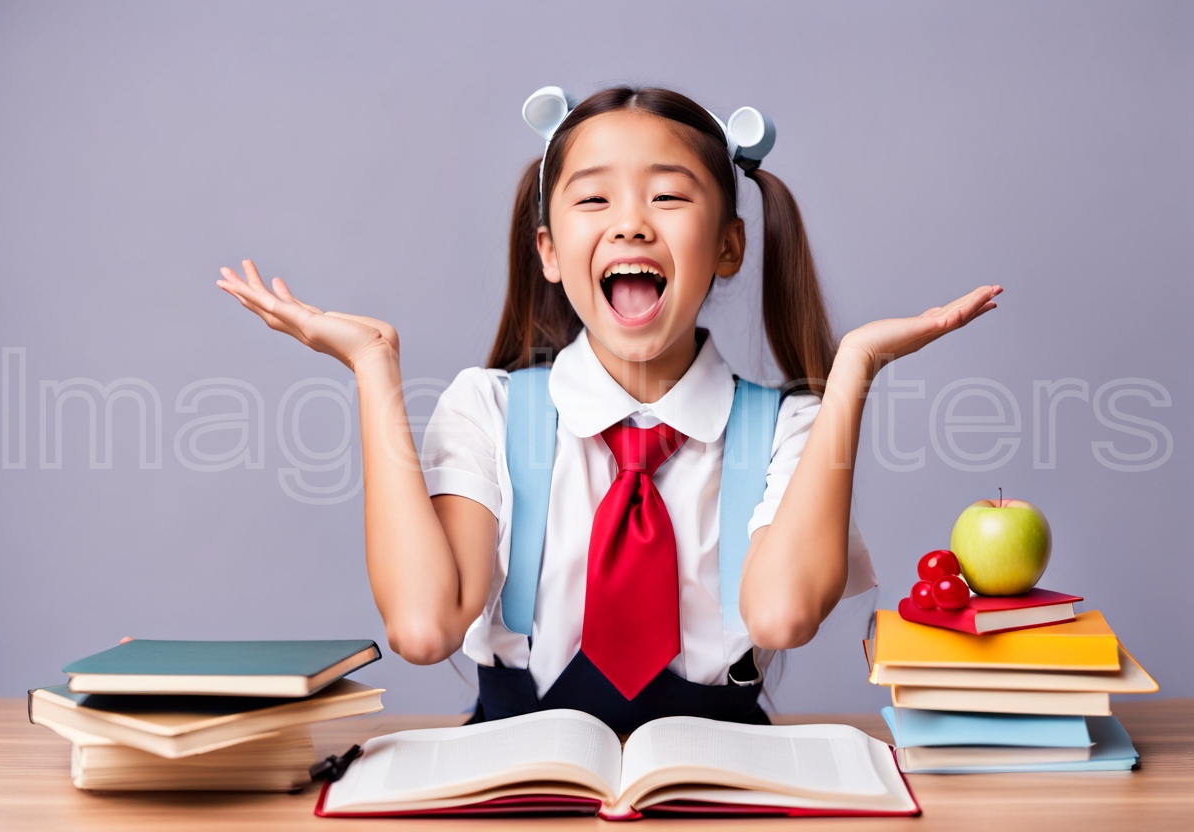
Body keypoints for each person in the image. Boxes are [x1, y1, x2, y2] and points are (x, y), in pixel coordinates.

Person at [215, 85, 1000, 732]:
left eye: (666, 196)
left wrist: (853, 372)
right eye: (594, 199)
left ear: (729, 247)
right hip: (516, 779)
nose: (631, 222)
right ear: (550, 252)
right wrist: (371, 366)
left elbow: (783, 616)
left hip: (722, 781)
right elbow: (425, 628)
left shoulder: (792, 425)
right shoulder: (485, 410)